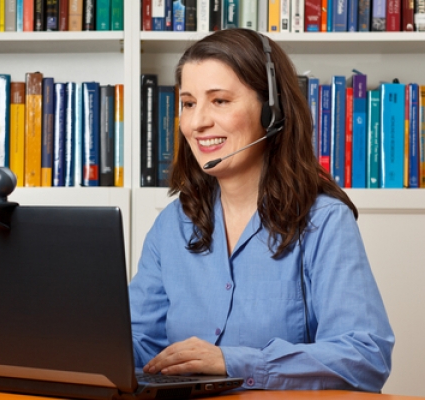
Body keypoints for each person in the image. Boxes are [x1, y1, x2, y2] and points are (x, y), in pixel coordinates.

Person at [128, 28, 394, 392]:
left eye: (219, 101)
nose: (196, 122)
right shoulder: (172, 225)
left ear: (272, 111)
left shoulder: (324, 221)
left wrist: (234, 362)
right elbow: (141, 341)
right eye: (188, 103)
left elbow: (365, 357)